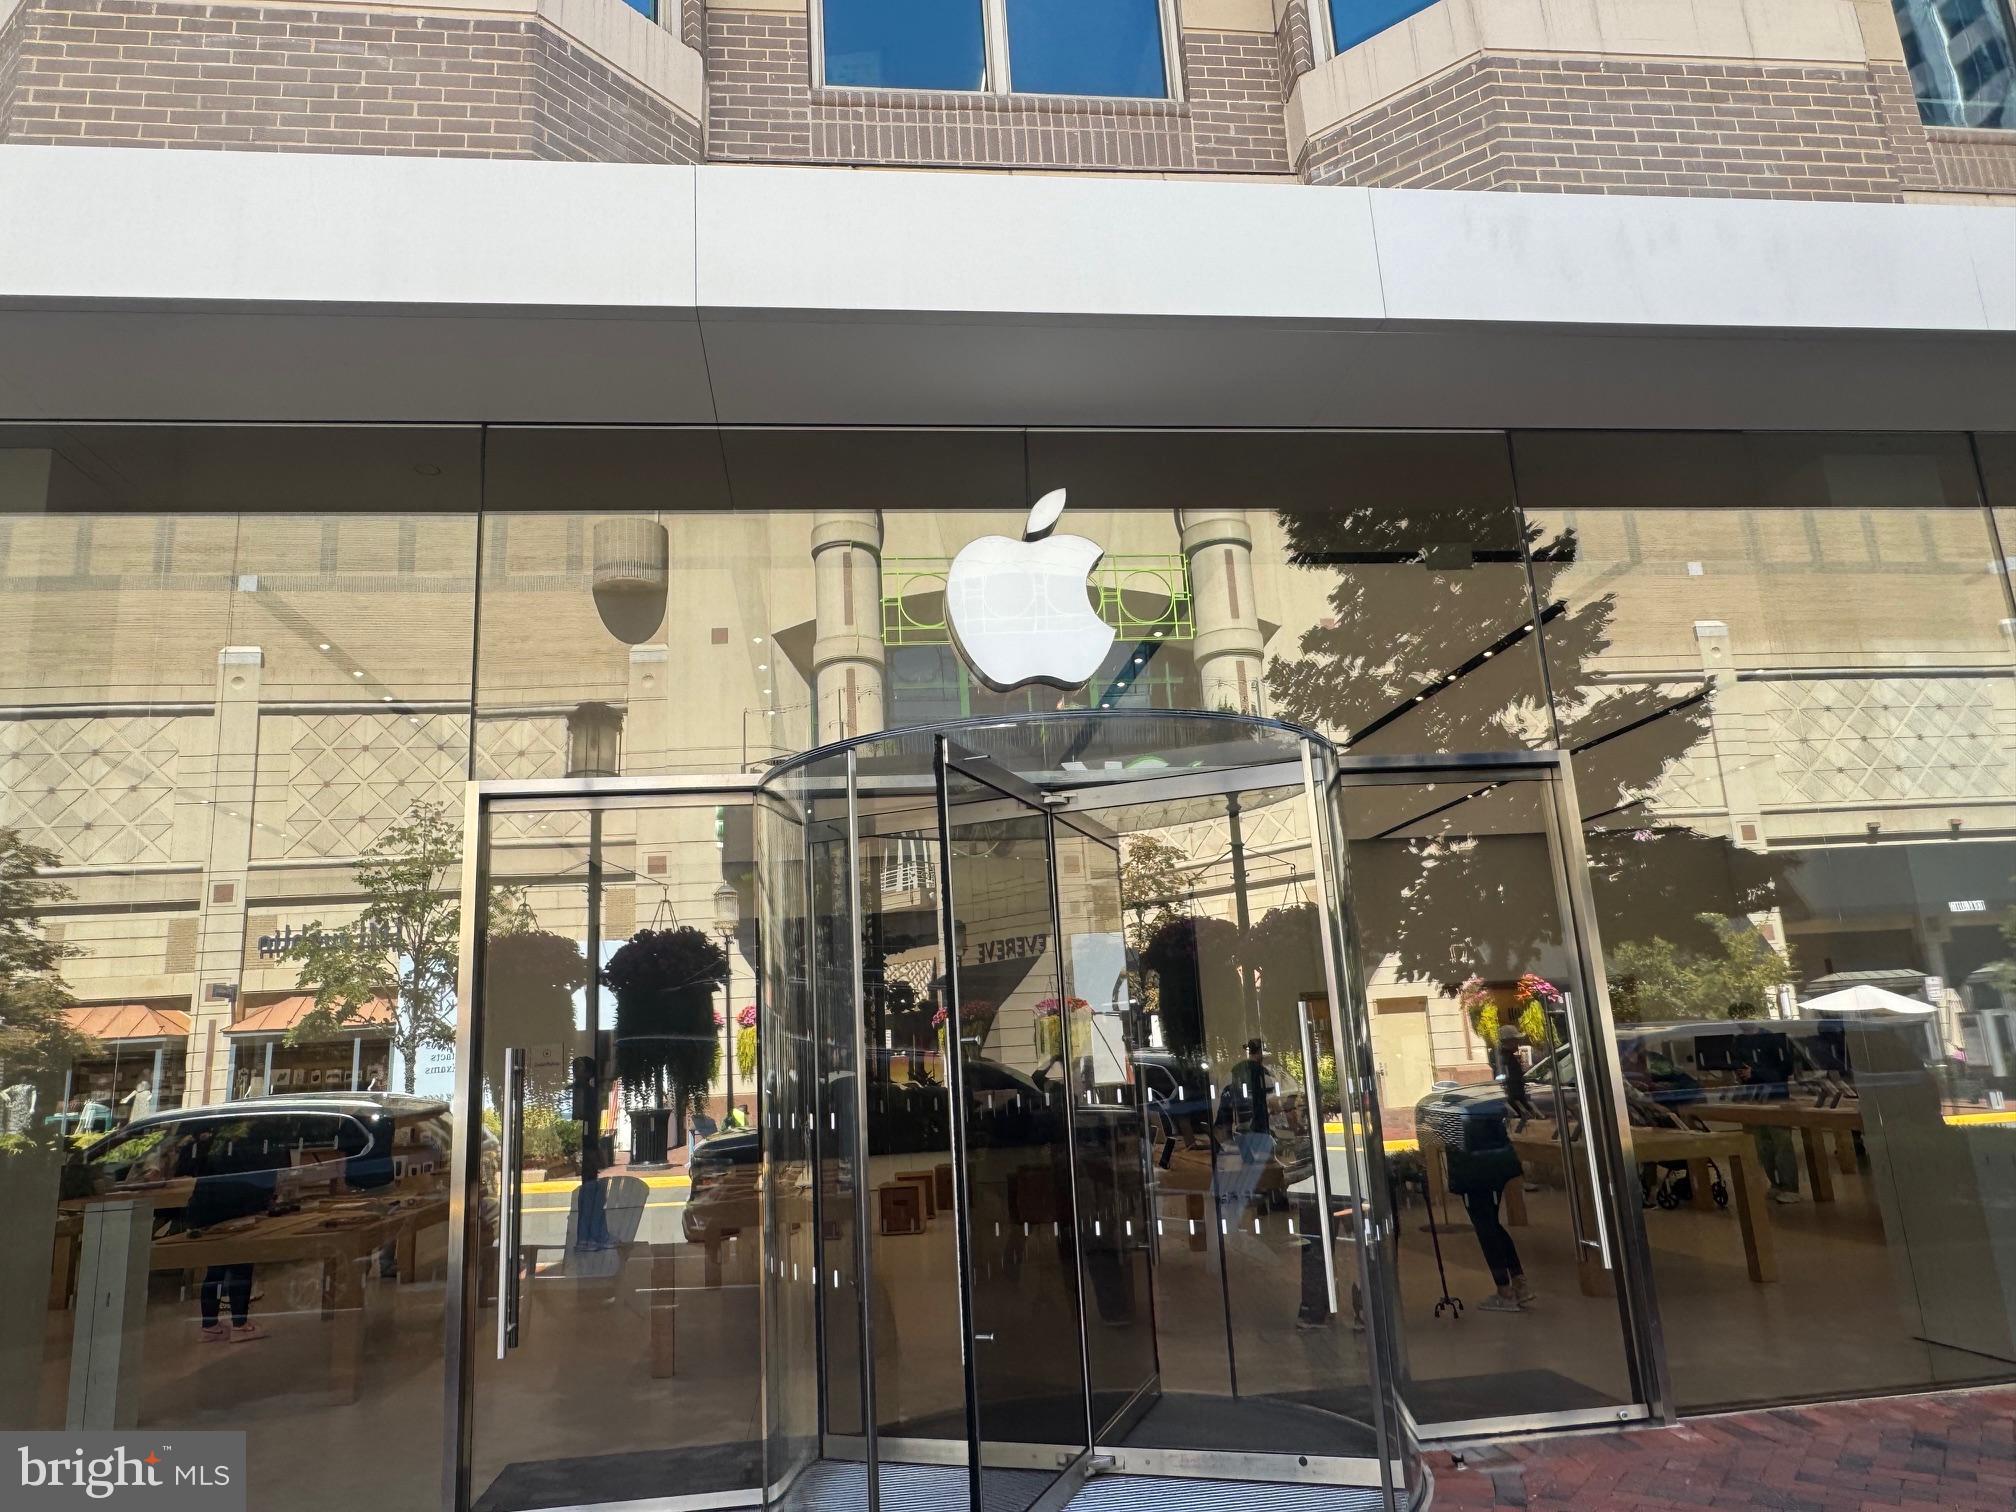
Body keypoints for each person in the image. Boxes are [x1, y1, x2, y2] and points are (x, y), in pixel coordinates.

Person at [1445, 1110, 1534, 1313]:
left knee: (1485, 1230)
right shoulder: (1483, 1114)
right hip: (1496, 1174)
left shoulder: (1454, 1121)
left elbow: (1457, 1153)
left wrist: (1457, 1184)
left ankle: (1505, 1291)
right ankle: (1519, 1282)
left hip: (1474, 1179)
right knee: (1494, 1226)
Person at [1736, 1027, 1804, 1204]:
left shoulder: (1773, 1039)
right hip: (1754, 1097)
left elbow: (1784, 1070)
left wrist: (1756, 1073)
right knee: (1763, 1145)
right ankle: (1776, 1183)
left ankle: (1790, 1187)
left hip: (1775, 1096)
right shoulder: (1739, 1041)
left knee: (1781, 1142)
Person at [1214, 1039, 1278, 1222]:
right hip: (1254, 1125)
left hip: (1243, 1127)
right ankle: (1264, 1202)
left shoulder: (1236, 1074)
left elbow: (1223, 1121)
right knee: (1262, 1164)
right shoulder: (1260, 1071)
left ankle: (1257, 1200)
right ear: (1259, 1052)